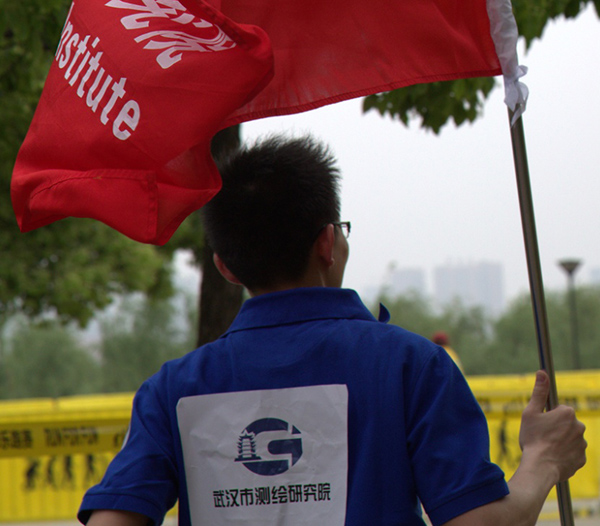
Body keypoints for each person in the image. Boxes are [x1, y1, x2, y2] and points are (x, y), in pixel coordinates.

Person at [78, 135, 586, 526]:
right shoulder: (411, 367)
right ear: (328, 243)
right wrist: (543, 459)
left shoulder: (172, 390)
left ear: (225, 267)